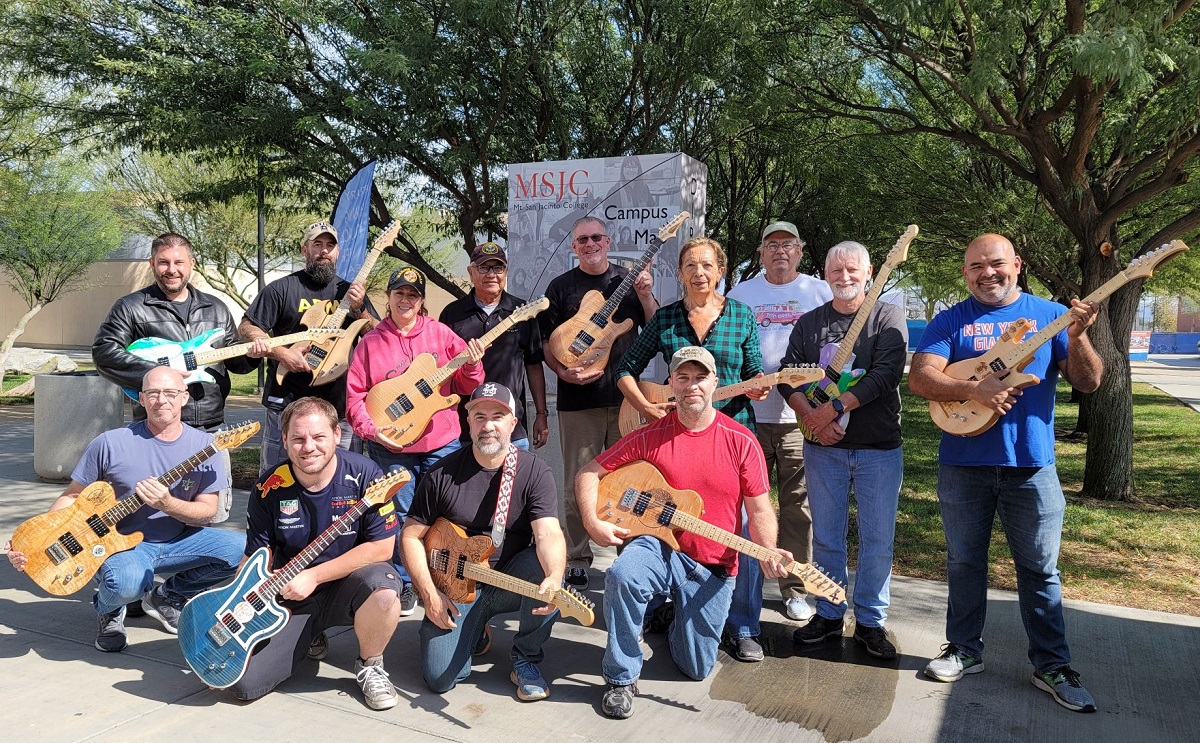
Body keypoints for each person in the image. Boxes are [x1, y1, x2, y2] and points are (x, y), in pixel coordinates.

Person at [908, 233, 1102, 713]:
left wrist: (1077, 338)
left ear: (1016, 263)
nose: (986, 273)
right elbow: (920, 377)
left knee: (1040, 570)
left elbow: (1089, 380)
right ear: (965, 272)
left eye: (995, 263)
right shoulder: (951, 319)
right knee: (964, 563)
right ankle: (964, 649)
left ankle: (1052, 665)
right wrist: (971, 391)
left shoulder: (1051, 315)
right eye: (975, 266)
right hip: (963, 464)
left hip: (1031, 465)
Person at [575, 346, 790, 719]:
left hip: (712, 564)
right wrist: (593, 523)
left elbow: (759, 508)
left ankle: (672, 616)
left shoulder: (741, 440)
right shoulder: (650, 435)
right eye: (683, 377)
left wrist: (767, 547)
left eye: (700, 377)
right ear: (671, 383)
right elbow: (588, 472)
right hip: (658, 545)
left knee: (696, 668)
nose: (692, 386)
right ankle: (621, 677)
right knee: (623, 575)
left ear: (715, 382)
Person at [4, 367, 244, 652]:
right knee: (124, 584)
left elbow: (208, 511)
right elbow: (73, 496)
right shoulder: (110, 442)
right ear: (141, 399)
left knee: (244, 550)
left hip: (179, 541)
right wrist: (37, 539)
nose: (161, 400)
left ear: (184, 397)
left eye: (170, 393)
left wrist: (167, 503)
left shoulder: (208, 446)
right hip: (120, 546)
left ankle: (167, 596)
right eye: (153, 393)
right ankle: (109, 609)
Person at [614, 235, 769, 661]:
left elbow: (753, 368)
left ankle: (743, 626)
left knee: (739, 532)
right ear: (680, 274)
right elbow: (625, 368)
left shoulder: (741, 316)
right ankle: (666, 605)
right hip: (674, 439)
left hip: (731, 434)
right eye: (689, 266)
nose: (698, 273)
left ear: (720, 271)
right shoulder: (665, 319)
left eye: (706, 265)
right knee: (670, 520)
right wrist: (643, 404)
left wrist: (758, 387)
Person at [229, 396, 403, 710]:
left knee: (384, 585)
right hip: (292, 596)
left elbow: (382, 547)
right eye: (298, 438)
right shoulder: (268, 487)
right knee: (244, 685)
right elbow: (255, 557)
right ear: (284, 440)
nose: (308, 447)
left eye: (319, 436)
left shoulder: (367, 475)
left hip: (349, 585)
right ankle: (311, 633)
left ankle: (370, 665)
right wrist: (236, 598)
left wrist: (313, 575)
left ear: (337, 435)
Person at [779, 240, 907, 660]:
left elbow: (886, 376)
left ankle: (870, 621)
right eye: (837, 271)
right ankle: (830, 612)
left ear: (870, 273)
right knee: (828, 538)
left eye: (853, 271)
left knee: (877, 540)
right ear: (826, 274)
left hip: (878, 449)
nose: (845, 277)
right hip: (823, 451)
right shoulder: (810, 323)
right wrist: (808, 415)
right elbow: (787, 377)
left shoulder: (888, 317)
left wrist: (832, 408)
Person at [400, 383, 565, 701]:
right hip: (455, 586)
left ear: (512, 423)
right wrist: (430, 595)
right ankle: (474, 627)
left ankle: (525, 658)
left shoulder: (533, 472)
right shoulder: (442, 474)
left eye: (498, 416)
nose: (488, 425)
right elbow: (411, 536)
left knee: (540, 566)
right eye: (479, 416)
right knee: (440, 679)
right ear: (468, 420)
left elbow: (548, 534)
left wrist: (555, 575)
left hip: (507, 580)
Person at [92, 232, 264, 523]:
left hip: (211, 430)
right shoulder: (131, 307)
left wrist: (253, 355)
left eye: (178, 262)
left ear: (192, 264)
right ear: (152, 263)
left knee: (211, 517)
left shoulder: (217, 309)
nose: (171, 269)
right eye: (163, 262)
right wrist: (160, 376)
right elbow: (104, 352)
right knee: (148, 515)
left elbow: (236, 364)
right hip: (154, 431)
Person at [345, 266, 485, 614]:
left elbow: (467, 386)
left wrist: (472, 364)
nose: (405, 300)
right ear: (388, 298)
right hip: (391, 446)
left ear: (421, 301)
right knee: (401, 514)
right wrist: (370, 430)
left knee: (446, 511)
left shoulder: (441, 334)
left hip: (442, 442)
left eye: (413, 294)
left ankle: (444, 575)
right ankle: (406, 582)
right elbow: (354, 398)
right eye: (399, 293)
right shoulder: (370, 342)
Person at [540, 216, 657, 589]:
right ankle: (576, 556)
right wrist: (562, 371)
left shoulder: (628, 279)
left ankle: (630, 556)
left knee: (628, 481)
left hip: (626, 400)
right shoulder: (561, 287)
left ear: (608, 242)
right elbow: (546, 342)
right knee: (578, 480)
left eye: (596, 238)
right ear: (574, 247)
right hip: (578, 402)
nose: (590, 244)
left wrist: (644, 294)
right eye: (582, 239)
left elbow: (654, 327)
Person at [727, 221, 832, 625]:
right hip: (746, 417)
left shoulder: (819, 291)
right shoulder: (742, 294)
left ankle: (793, 588)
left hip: (797, 418)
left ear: (801, 250)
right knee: (743, 506)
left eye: (788, 244)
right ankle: (738, 587)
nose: (780, 251)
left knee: (796, 507)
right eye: (772, 245)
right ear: (761, 252)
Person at [239, 221, 378, 474]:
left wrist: (359, 309)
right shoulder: (281, 289)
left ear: (337, 252)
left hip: (340, 409)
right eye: (317, 245)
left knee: (344, 481)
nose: (324, 250)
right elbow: (248, 328)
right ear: (305, 250)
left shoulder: (350, 291)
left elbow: (377, 338)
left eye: (330, 245)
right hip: (286, 405)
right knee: (276, 479)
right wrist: (281, 353)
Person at [439, 241, 549, 451]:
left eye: (498, 268)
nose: (491, 274)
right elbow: (442, 369)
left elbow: (533, 366)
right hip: (461, 431)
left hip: (512, 429)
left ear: (506, 272)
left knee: (510, 484)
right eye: (483, 267)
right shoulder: (451, 314)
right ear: (471, 272)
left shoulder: (522, 311)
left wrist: (541, 415)